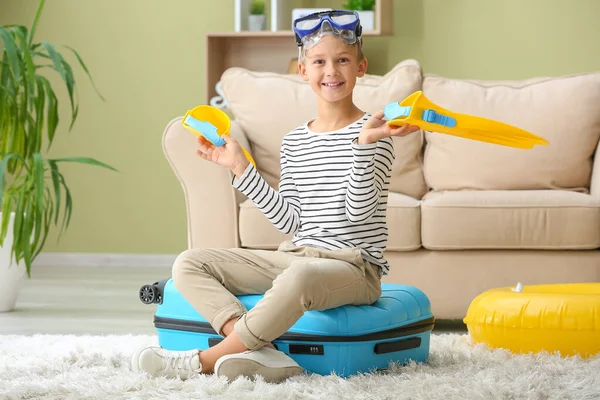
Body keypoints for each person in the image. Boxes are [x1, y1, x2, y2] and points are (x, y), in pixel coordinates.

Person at [131, 10, 419, 384]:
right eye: (319, 62)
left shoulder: (375, 136)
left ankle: (203, 361)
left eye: (342, 60)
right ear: (303, 71)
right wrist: (241, 170)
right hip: (297, 257)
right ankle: (258, 349)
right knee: (189, 263)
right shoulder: (295, 141)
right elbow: (292, 222)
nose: (331, 71)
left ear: (360, 67)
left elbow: (356, 214)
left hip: (354, 267)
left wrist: (364, 145)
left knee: (299, 276)